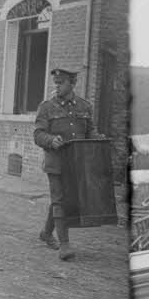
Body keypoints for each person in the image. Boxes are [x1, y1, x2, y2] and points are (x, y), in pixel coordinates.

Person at [33, 68, 102, 262]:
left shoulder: (85, 107)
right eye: (55, 82)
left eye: (61, 82)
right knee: (59, 200)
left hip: (76, 163)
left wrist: (99, 140)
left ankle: (46, 233)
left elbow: (90, 132)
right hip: (56, 162)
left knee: (60, 199)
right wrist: (50, 140)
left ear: (72, 84)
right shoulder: (46, 107)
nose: (56, 86)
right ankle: (64, 245)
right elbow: (37, 134)